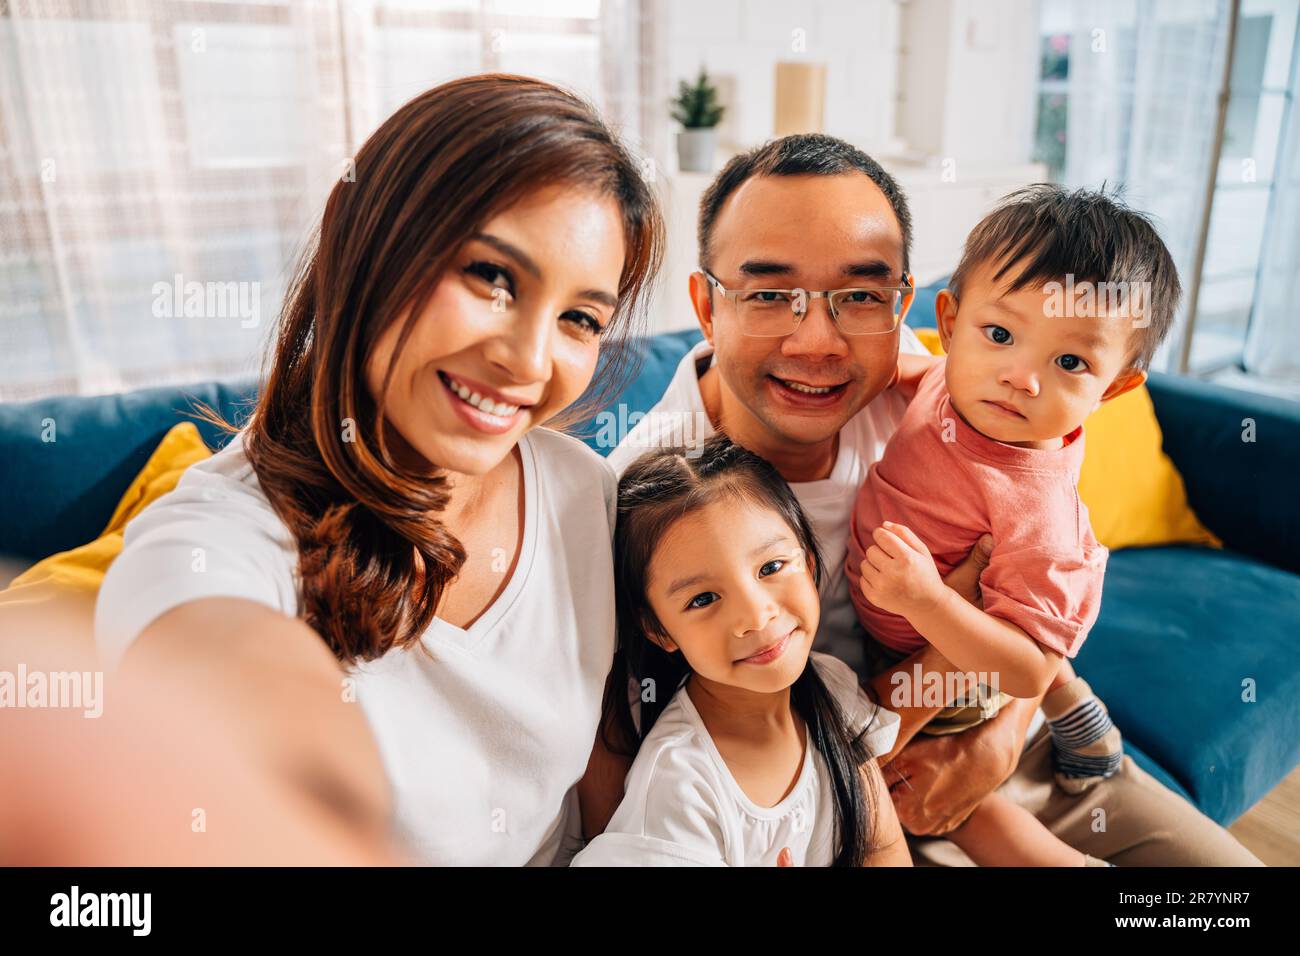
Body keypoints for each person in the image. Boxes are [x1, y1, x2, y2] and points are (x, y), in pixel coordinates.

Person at [599, 133, 1260, 866]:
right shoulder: (646, 499)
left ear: (907, 308)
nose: (817, 341)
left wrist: (1002, 734)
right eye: (770, 295)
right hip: (875, 796)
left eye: (859, 296)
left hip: (1020, 744)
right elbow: (635, 754)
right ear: (706, 304)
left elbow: (1036, 571)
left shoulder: (952, 389)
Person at [94, 74, 664, 866]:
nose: (527, 360)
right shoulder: (217, 540)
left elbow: (608, 772)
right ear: (355, 236)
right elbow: (191, 641)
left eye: (579, 319)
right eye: (491, 278)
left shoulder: (582, 490)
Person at [573, 436, 908, 866]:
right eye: (703, 599)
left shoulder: (832, 685)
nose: (756, 616)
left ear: (807, 562)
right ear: (659, 630)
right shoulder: (681, 788)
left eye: (770, 568)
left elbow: (882, 847)